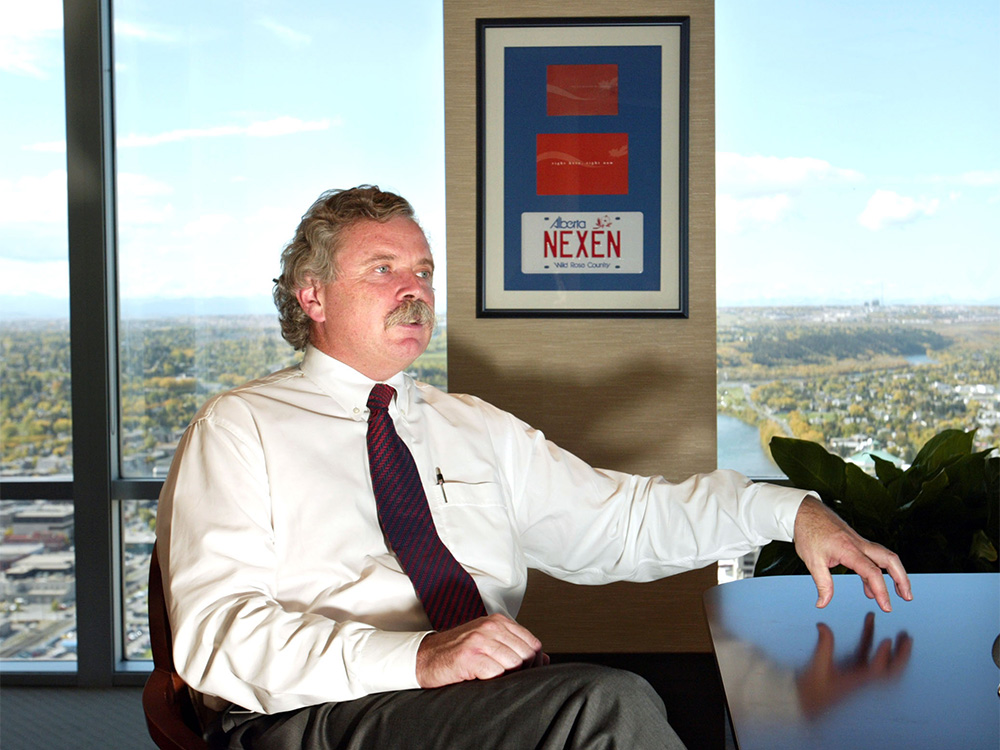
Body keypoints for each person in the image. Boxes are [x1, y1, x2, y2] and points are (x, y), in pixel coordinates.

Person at [155, 185, 912, 749]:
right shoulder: (240, 428)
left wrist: (788, 511)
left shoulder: (472, 427)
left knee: (691, 702)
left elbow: (620, 520)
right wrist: (417, 657)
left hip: (477, 704)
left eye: (422, 269)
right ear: (311, 295)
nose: (414, 288)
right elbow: (218, 638)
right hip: (306, 717)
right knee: (604, 706)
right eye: (382, 269)